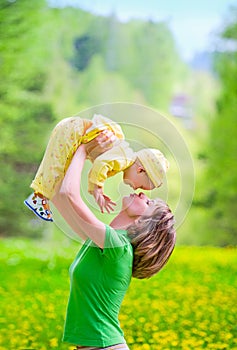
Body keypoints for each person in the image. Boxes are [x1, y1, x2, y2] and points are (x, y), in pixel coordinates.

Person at [52, 141, 176, 350]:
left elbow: (69, 194)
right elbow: (57, 196)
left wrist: (84, 148)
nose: (142, 194)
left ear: (143, 223)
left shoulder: (118, 248)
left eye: (148, 203)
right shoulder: (104, 244)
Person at [24, 114, 169, 221]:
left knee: (58, 168)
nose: (136, 190)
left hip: (72, 130)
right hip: (74, 131)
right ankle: (38, 198)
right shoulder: (125, 158)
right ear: (140, 170)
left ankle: (41, 197)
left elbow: (101, 165)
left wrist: (96, 189)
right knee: (55, 167)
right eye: (141, 186)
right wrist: (97, 189)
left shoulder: (123, 158)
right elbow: (101, 164)